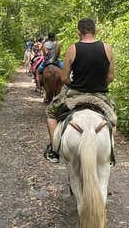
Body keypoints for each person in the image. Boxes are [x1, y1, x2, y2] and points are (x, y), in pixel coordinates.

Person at [44, 18, 116, 163]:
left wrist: (73, 83)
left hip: (76, 94)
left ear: (79, 32)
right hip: (100, 95)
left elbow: (64, 78)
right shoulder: (107, 48)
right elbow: (110, 77)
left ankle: (54, 150)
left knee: (51, 112)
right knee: (113, 118)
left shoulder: (73, 49)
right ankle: (111, 153)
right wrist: (99, 83)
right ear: (95, 31)